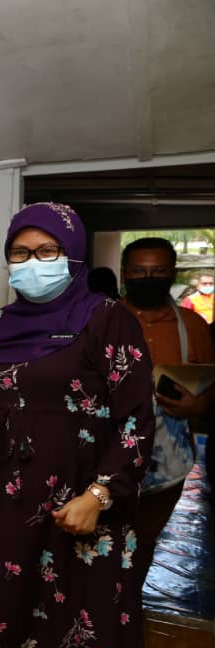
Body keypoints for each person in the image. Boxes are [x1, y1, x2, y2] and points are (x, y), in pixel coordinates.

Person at [0, 203, 153, 648]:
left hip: (92, 513)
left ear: (72, 256)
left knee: (91, 624)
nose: (33, 262)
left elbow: (136, 420)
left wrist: (99, 495)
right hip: (16, 505)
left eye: (47, 251)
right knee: (14, 614)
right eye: (20, 253)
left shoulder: (107, 318)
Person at [118, 237, 215, 585]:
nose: (148, 277)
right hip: (106, 456)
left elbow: (209, 387)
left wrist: (198, 405)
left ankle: (130, 603)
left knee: (144, 541)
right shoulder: (100, 321)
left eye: (158, 271)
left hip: (168, 460)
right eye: (139, 271)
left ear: (172, 273)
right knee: (101, 539)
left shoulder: (194, 327)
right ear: (125, 274)